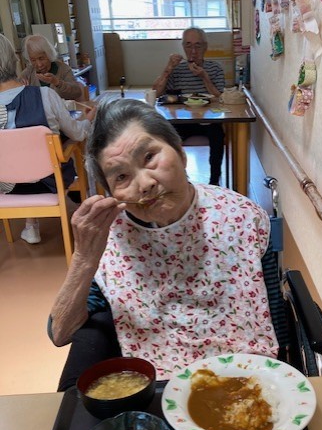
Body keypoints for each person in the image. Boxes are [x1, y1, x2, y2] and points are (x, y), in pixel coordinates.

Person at [49, 98, 282, 388]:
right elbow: (60, 333)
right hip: (157, 386)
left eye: (149, 157)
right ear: (110, 192)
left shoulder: (241, 217)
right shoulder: (109, 236)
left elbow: (273, 318)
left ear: (181, 153)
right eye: (121, 176)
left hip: (246, 376)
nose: (145, 184)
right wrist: (85, 258)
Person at [0, 34, 95, 244]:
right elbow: (78, 134)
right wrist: (88, 120)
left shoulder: (59, 71)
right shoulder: (44, 96)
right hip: (48, 182)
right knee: (65, 149)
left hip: (7, 186)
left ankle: (31, 225)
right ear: (15, 60)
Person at [152, 27, 225, 185]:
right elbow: (156, 93)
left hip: (209, 119)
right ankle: (178, 181)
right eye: (188, 45)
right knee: (167, 139)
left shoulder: (215, 68)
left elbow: (220, 97)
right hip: (181, 120)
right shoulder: (177, 69)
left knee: (218, 136)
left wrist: (205, 77)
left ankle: (214, 182)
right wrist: (168, 69)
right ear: (183, 47)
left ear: (205, 47)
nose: (193, 51)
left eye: (198, 45)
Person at [20, 34, 84, 101]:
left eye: (41, 58)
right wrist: (21, 91)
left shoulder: (63, 69)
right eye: (33, 60)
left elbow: (77, 93)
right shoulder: (28, 73)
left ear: (49, 54)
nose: (39, 64)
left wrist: (57, 83)